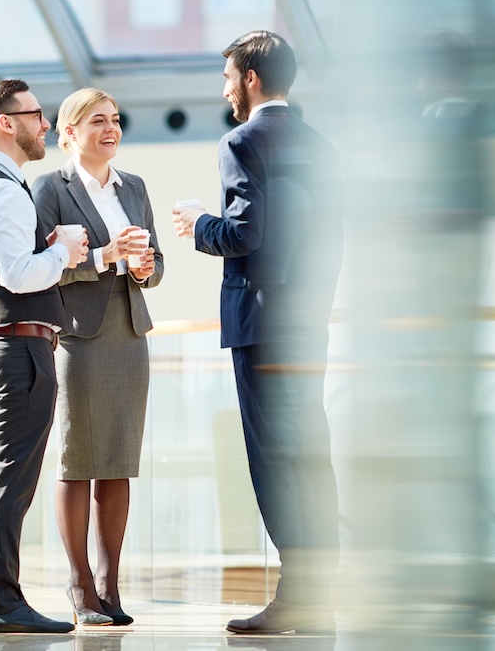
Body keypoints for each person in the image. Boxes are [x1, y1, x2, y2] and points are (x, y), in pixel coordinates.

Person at [171, 31, 343, 634]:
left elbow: (244, 235)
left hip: (261, 327)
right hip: (306, 323)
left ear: (249, 78)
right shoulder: (322, 147)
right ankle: (317, 590)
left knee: (274, 459)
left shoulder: (242, 142)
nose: (224, 90)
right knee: (310, 455)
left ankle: (298, 593)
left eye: (227, 78)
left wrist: (198, 225)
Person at [0, 79, 89, 634]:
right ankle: (0, 602)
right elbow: (17, 273)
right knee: (11, 478)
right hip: (19, 350)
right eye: (35, 115)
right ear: (7, 122)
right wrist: (61, 251)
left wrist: (49, 248)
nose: (45, 125)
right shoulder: (5, 191)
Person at [30, 87, 162, 627]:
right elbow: (43, 267)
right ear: (68, 134)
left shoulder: (134, 187)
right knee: (77, 461)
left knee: (118, 463)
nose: (111, 130)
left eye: (114, 120)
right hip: (80, 341)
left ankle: (109, 584)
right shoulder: (50, 189)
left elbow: (156, 268)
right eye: (96, 122)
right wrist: (105, 259)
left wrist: (140, 267)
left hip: (130, 338)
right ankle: (80, 583)